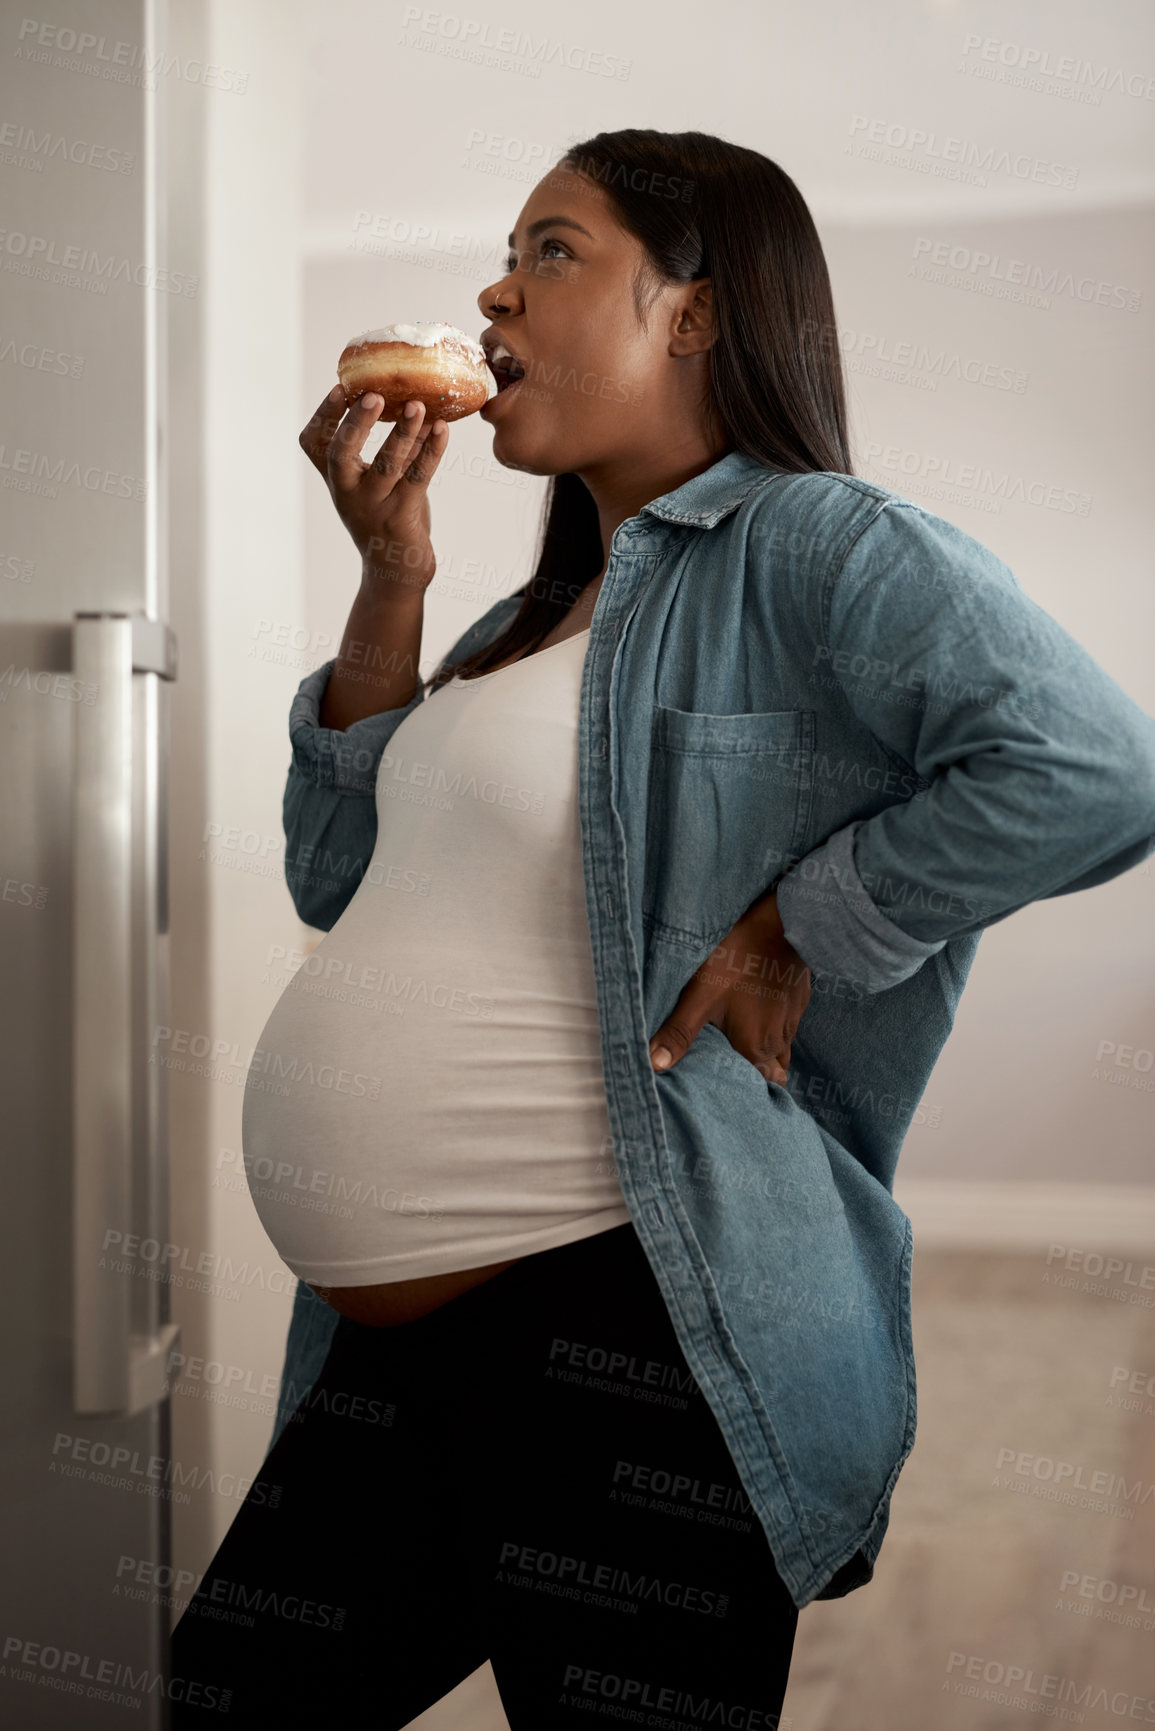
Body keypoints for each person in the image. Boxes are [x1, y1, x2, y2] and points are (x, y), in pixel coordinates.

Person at [171, 129, 1155, 1728]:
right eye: (508, 255)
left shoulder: (820, 545)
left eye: (551, 251)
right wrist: (390, 588)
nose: (495, 293)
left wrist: (801, 926)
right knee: (223, 1691)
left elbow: (1096, 770)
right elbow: (333, 885)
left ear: (694, 313)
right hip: (405, 1349)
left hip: (628, 1333)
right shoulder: (518, 624)